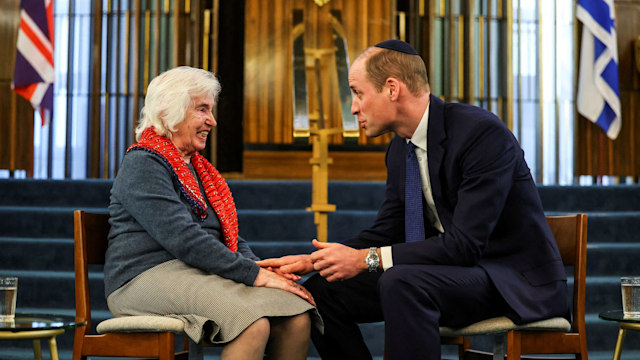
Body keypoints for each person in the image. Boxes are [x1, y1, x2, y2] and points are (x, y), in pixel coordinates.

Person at [258, 40, 569, 360]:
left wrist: (366, 259)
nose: (353, 107)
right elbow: (387, 231)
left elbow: (465, 246)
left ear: (392, 88)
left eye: (358, 92)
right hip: (447, 275)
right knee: (322, 291)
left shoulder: (480, 133)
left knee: (402, 281)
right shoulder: (399, 150)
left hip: (508, 279)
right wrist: (316, 261)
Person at [104, 66, 320, 360]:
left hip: (193, 271)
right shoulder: (143, 163)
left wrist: (260, 267)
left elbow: (226, 235)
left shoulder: (199, 170)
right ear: (170, 113)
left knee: (295, 316)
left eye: (211, 110)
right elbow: (185, 239)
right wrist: (253, 275)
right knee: (250, 323)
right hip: (142, 278)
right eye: (202, 109)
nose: (212, 121)